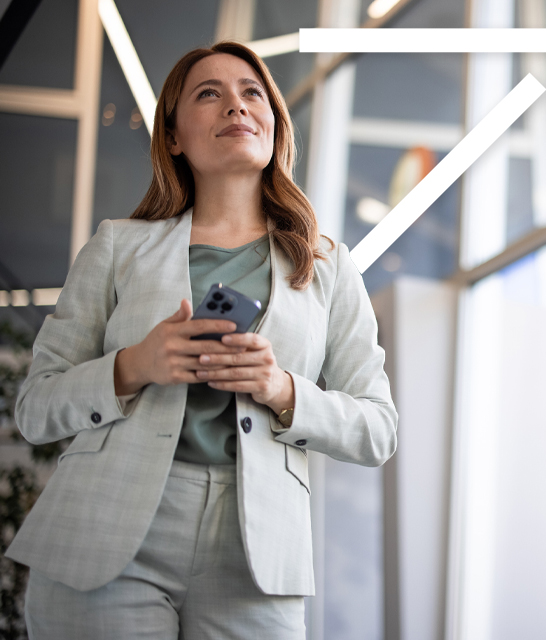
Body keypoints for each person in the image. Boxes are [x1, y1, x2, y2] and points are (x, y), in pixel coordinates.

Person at [5, 41, 398, 639]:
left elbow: (379, 429)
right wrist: (133, 366)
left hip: (255, 553)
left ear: (273, 124)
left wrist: (281, 388)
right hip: (108, 531)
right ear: (173, 137)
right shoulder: (118, 246)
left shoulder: (328, 268)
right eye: (209, 94)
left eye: (251, 94)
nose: (236, 108)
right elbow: (35, 408)